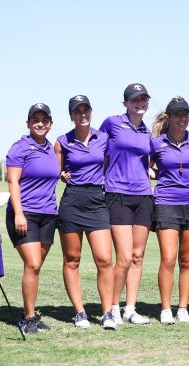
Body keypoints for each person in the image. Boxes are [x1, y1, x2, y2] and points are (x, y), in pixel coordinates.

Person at [55, 95, 115, 330]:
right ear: (71, 115)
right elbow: (56, 171)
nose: (82, 114)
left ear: (91, 112)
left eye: (86, 110)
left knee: (104, 259)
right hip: (72, 201)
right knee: (72, 259)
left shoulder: (103, 138)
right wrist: (61, 175)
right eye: (77, 111)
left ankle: (108, 312)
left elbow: (108, 164)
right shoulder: (62, 141)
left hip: (97, 200)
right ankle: (80, 312)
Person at [99, 83, 154, 325]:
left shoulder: (147, 132)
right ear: (125, 103)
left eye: (143, 99)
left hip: (143, 195)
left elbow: (149, 161)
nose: (140, 103)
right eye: (135, 99)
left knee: (138, 255)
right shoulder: (112, 123)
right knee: (123, 257)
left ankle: (130, 309)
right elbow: (97, 151)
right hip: (117, 192)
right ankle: (111, 308)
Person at [5, 103, 59, 334]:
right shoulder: (20, 147)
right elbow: (13, 182)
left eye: (44, 120)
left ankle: (33, 315)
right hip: (24, 214)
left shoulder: (52, 148)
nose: (40, 123)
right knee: (33, 263)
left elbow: (55, 174)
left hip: (48, 214)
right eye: (35, 120)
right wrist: (18, 213)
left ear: (50, 123)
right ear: (28, 123)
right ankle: (28, 318)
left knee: (35, 268)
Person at [150, 97, 189, 325]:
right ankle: (165, 309)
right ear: (169, 118)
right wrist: (152, 173)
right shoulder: (156, 143)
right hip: (166, 202)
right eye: (178, 115)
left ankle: (183, 308)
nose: (183, 119)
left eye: (186, 115)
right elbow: (145, 165)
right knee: (169, 258)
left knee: (187, 259)